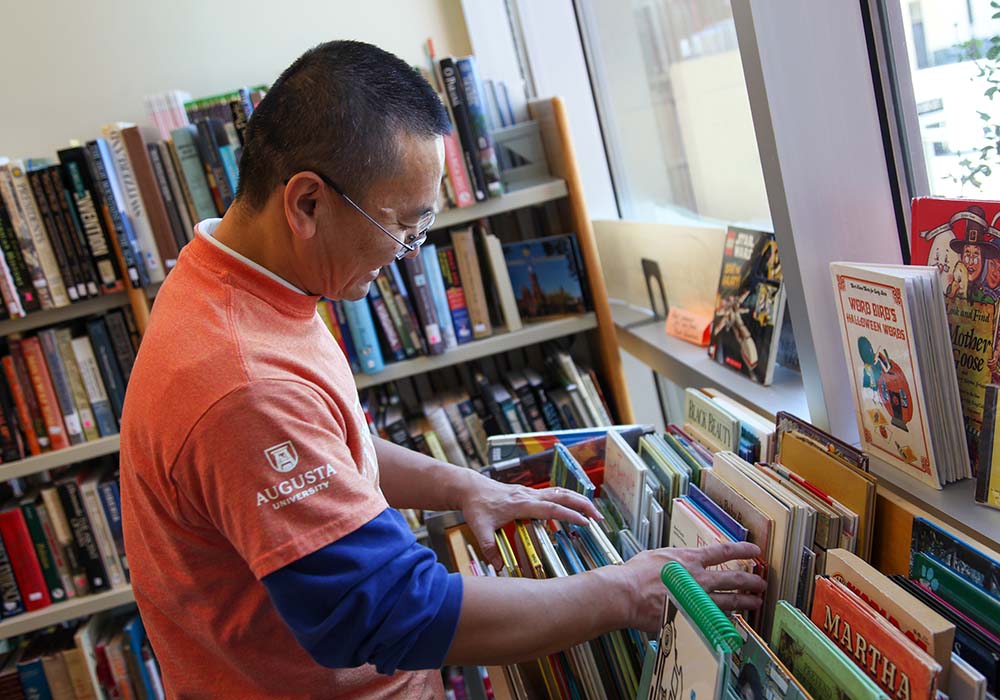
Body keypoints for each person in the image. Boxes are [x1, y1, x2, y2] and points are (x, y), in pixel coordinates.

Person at [120, 40, 765, 699]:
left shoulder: (233, 277)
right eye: (404, 225)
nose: (409, 255)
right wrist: (622, 592)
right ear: (307, 203)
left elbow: (325, 449)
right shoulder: (243, 380)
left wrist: (462, 486)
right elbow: (388, 609)